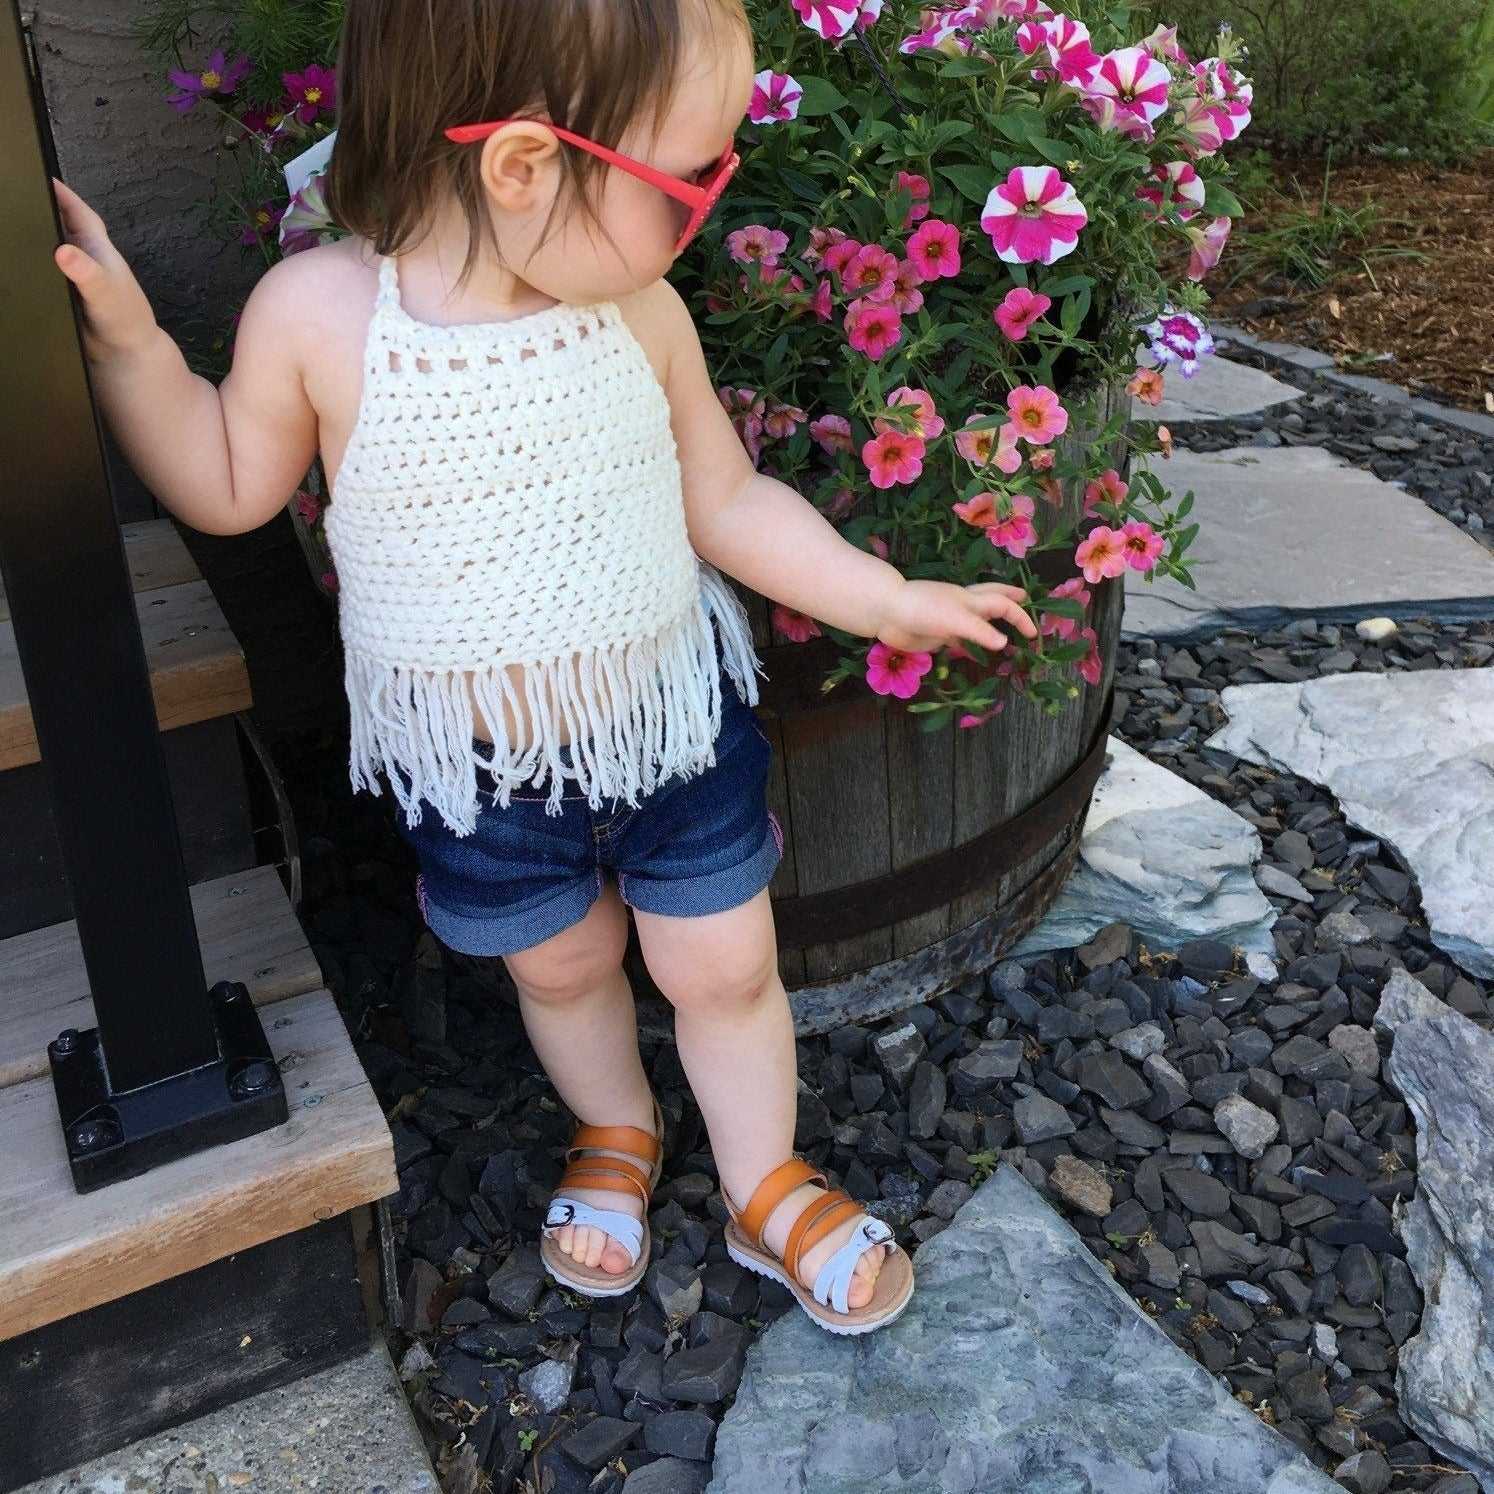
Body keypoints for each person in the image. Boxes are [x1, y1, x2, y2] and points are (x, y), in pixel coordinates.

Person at [52, 0, 1036, 1334]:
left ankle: (761, 1174)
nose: (706, 205)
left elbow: (725, 499)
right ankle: (615, 1124)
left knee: (725, 965)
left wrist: (882, 594)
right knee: (561, 966)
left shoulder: (637, 312)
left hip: (665, 734)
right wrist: (129, 347)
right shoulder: (325, 316)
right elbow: (230, 481)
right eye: (690, 178)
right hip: (476, 771)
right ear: (522, 163)